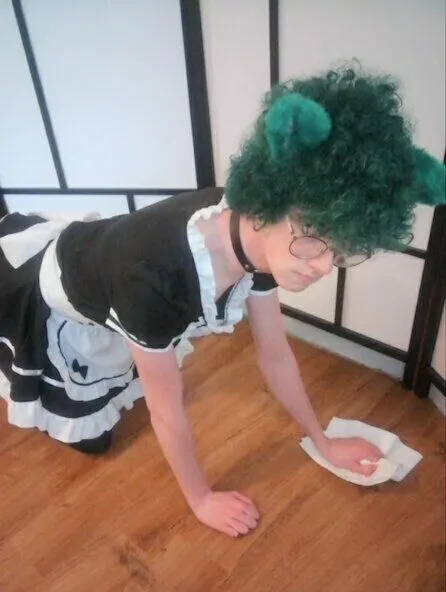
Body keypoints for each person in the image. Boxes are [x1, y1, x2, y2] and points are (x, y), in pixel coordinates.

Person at [0, 64, 444, 537]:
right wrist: (201, 499)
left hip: (111, 270)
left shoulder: (258, 239)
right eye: (315, 235)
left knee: (141, 371)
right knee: (98, 441)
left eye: (340, 250)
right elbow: (167, 410)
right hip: (51, 293)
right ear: (271, 198)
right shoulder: (154, 281)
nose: (322, 266)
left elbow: (275, 354)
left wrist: (324, 441)